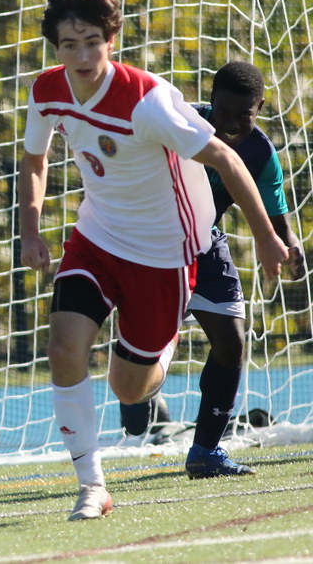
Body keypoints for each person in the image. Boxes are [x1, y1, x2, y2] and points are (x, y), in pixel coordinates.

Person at [18, 0, 288, 521]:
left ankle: (159, 351)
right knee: (63, 349)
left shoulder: (148, 99)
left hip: (164, 255)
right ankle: (92, 486)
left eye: (92, 40)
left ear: (111, 38)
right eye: (69, 44)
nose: (82, 55)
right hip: (95, 239)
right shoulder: (47, 90)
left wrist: (265, 237)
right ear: (54, 46)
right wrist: (30, 228)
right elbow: (34, 159)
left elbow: (228, 161)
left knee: (128, 386)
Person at [119, 61, 305, 476]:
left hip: (205, 244)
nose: (233, 123)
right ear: (210, 102)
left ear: (259, 107)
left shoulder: (260, 153)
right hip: (152, 245)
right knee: (146, 358)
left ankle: (205, 451)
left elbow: (275, 216)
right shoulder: (181, 122)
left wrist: (290, 248)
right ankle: (137, 394)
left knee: (232, 342)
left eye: (245, 114)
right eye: (224, 112)